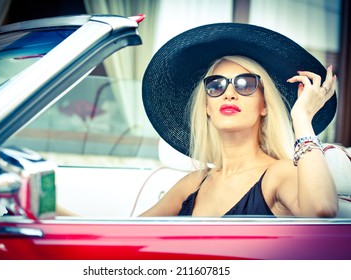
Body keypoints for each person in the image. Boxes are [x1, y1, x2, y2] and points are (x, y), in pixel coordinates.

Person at [140, 23, 339, 217]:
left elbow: (321, 209)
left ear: (264, 105)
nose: (229, 94)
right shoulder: (193, 184)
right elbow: (128, 234)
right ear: (207, 107)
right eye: (216, 85)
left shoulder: (278, 174)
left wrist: (302, 118)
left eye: (245, 84)